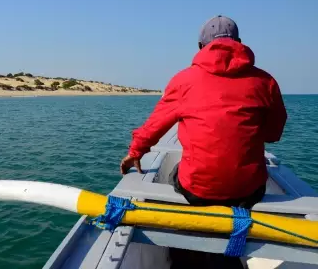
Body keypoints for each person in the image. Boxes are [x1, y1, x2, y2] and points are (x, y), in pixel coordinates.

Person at [119, 15, 287, 268]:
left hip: (198, 188)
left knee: (179, 172)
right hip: (248, 190)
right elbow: (273, 134)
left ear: (200, 47)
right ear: (239, 43)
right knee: (237, 183)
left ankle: (190, 247)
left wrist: (135, 151)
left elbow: (155, 124)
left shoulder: (184, 80)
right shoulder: (265, 81)